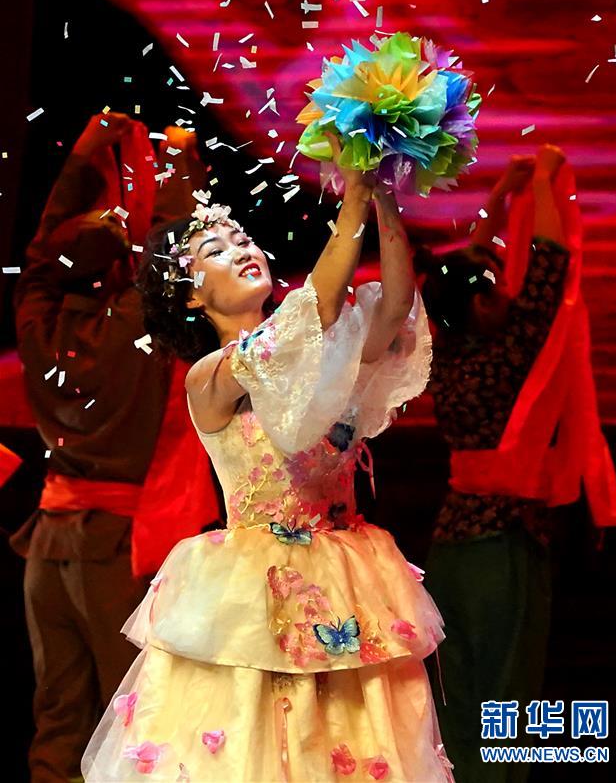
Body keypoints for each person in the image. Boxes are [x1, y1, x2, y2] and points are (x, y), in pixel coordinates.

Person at [81, 136, 455, 782]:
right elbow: (314, 312)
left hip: (348, 580)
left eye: (242, 240)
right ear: (192, 298)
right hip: (254, 596)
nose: (241, 251)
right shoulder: (211, 376)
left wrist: (382, 196)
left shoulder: (322, 356)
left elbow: (394, 307)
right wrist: (352, 197)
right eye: (216, 251)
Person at [12, 112, 220, 783]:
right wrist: (180, 162)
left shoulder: (37, 324)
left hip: (48, 549)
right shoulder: (135, 328)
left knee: (58, 719)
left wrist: (81, 162)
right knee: (130, 723)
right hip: (114, 551)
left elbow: (40, 258)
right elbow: (176, 245)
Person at [415, 144, 616, 783]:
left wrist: (499, 194)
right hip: (502, 545)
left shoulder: (446, 348)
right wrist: (541, 183)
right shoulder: (514, 349)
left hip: (452, 544)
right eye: (495, 284)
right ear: (483, 304)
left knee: (457, 685)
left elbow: (461, 274)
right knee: (505, 690)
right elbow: (549, 261)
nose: (506, 285)